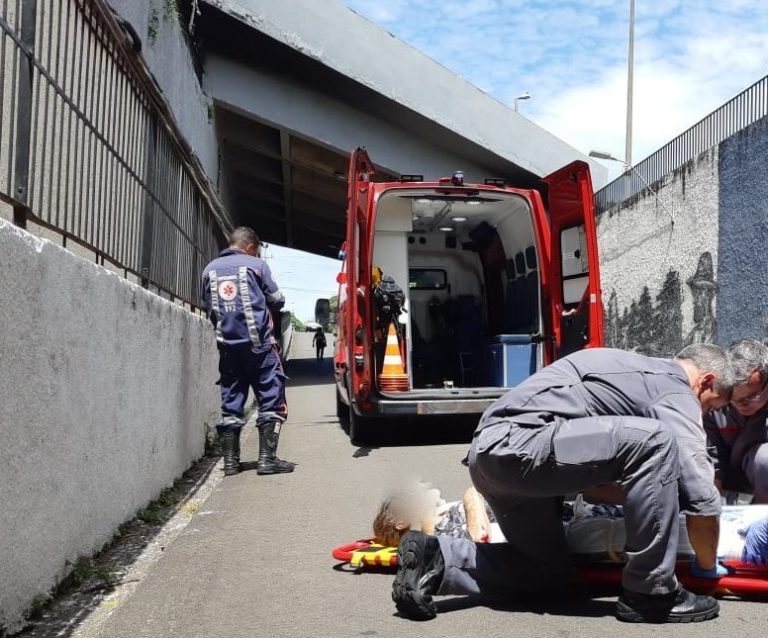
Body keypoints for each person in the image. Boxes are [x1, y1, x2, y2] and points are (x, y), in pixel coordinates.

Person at [391, 345, 735, 624]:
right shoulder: (673, 387)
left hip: (495, 461)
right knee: (660, 441)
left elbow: (594, 483)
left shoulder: (625, 369)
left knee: (547, 573)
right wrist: (707, 566)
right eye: (711, 407)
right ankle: (650, 593)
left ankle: (435, 558)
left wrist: (658, 500)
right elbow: (701, 491)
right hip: (524, 448)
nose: (703, 416)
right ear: (705, 381)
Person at [201, 226, 295, 476]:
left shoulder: (209, 270)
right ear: (251, 246)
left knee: (231, 404)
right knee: (272, 398)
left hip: (228, 350)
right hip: (260, 348)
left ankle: (230, 463)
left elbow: (207, 305)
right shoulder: (256, 266)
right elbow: (277, 299)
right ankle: (266, 460)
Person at [704, 339, 768, 502]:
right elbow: (712, 460)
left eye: (752, 396)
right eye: (734, 398)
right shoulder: (716, 404)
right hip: (728, 476)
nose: (742, 405)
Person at [373, 484, 494, 548]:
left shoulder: (441, 520)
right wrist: (471, 495)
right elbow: (478, 539)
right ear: (401, 522)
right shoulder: (434, 531)